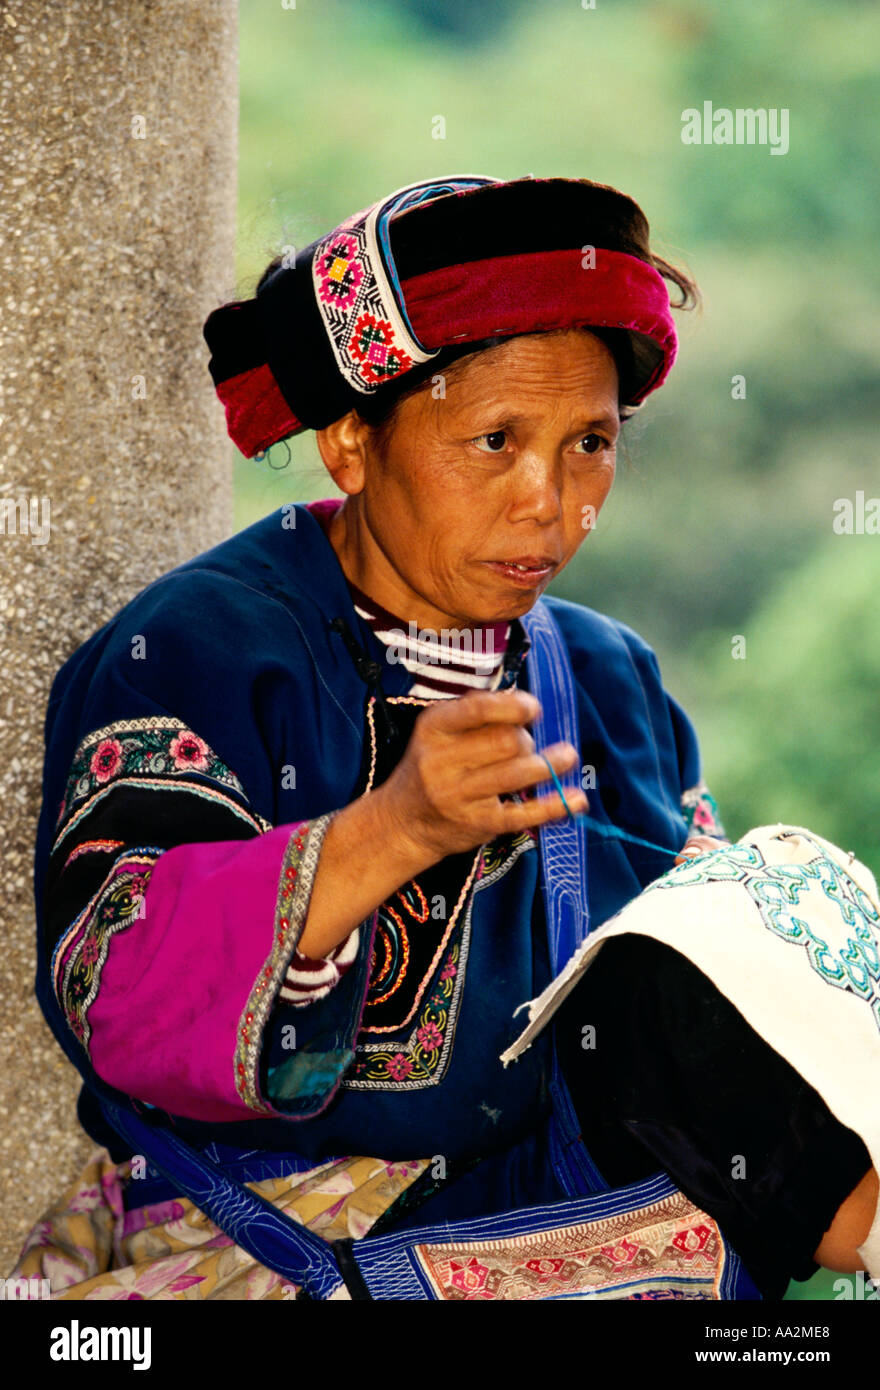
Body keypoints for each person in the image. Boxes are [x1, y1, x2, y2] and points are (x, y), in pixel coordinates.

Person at [10, 175, 876, 1301]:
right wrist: (393, 829)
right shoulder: (199, 651)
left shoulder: (609, 677)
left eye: (589, 444)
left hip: (579, 1215)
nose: (549, 501)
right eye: (495, 439)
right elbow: (112, 982)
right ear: (352, 442)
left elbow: (702, 997)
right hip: (290, 1236)